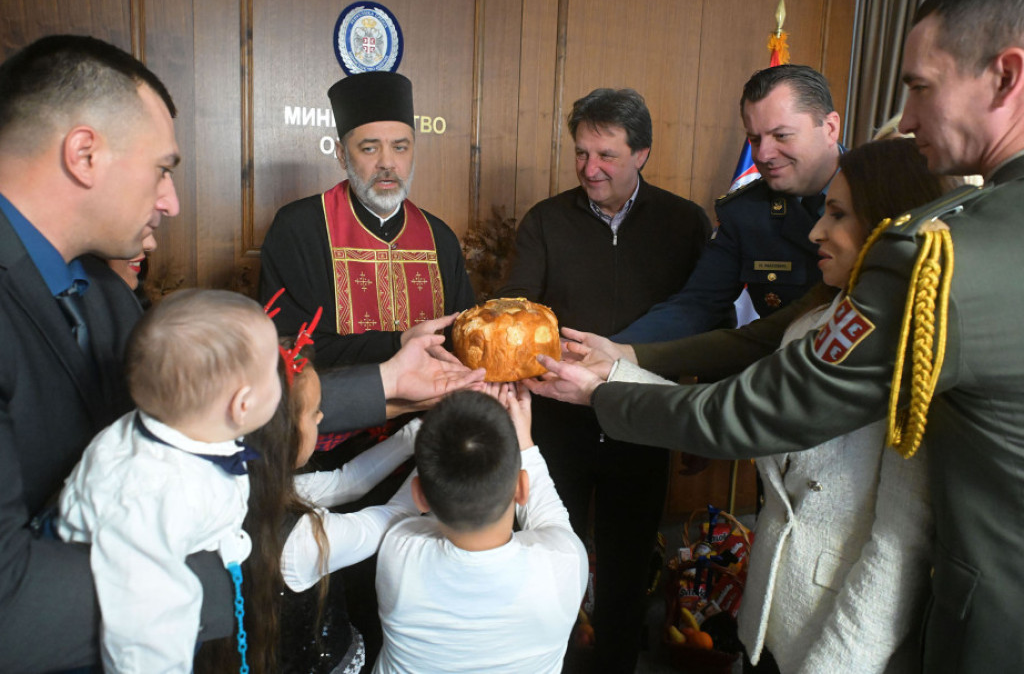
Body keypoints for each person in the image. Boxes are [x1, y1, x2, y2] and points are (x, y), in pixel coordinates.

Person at [527, 0, 1024, 672]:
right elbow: (746, 330)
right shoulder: (771, 213)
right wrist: (626, 355)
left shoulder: (933, 247)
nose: (907, 117)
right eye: (752, 138)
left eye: (919, 88)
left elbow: (772, 403)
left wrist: (608, 387)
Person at [0, 35, 483, 674]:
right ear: (84, 154)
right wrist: (255, 563)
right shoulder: (300, 228)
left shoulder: (100, 290)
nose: (170, 200)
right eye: (164, 168)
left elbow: (210, 405)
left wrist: (390, 382)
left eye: (401, 146)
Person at [594, 140, 947, 674]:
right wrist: (616, 364)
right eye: (753, 137)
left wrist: (607, 383)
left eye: (838, 214)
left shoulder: (917, 347)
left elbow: (900, 549)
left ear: (892, 226)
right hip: (774, 618)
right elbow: (746, 353)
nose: (814, 234)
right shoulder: (818, 318)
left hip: (841, 642)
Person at [497, 87, 711, 672]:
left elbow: (707, 316)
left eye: (607, 155)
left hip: (644, 422)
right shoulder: (546, 221)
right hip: (557, 422)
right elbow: (514, 309)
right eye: (581, 153)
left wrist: (698, 421)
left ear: (641, 153)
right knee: (546, 559)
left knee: (627, 567)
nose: (591, 169)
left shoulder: (685, 223)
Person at [58, 289, 281, 673]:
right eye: (275, 368)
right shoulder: (153, 494)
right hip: (104, 618)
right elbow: (144, 620)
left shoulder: (187, 425)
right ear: (241, 405)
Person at [203, 336, 423, 674]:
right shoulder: (300, 541)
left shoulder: (241, 484)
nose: (321, 416)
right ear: (282, 434)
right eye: (313, 412)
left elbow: (344, 481)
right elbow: (390, 518)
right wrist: (439, 451)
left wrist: (416, 432)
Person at [259, 70, 476, 371]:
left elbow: (465, 340)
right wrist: (397, 343)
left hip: (433, 412)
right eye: (370, 148)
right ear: (342, 155)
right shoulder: (298, 230)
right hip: (334, 413)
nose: (387, 163)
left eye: (400, 147)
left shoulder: (440, 238)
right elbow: (289, 346)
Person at [613, 65, 843, 344]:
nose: (764, 154)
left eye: (781, 135)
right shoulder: (746, 212)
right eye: (755, 139)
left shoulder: (881, 193)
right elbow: (696, 306)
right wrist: (612, 351)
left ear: (830, 128)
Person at [374, 386, 588, 674]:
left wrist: (447, 434)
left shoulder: (398, 552)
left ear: (420, 495)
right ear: (522, 488)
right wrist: (523, 439)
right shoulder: (564, 563)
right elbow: (550, 518)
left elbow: (417, 506)